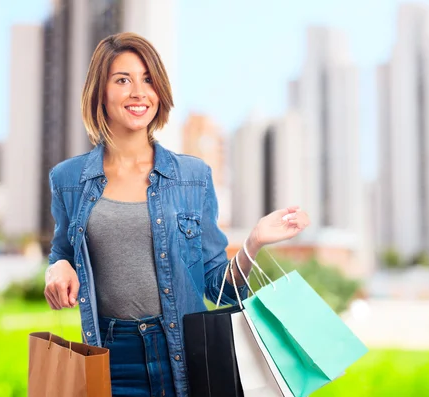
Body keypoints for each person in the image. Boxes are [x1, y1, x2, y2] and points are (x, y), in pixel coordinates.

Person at [44, 32, 310, 397]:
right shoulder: (68, 180)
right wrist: (56, 266)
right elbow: (63, 253)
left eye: (148, 79)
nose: (139, 92)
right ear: (100, 92)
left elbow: (218, 287)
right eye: (123, 80)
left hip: (184, 355)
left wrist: (255, 240)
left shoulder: (193, 177)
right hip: (109, 358)